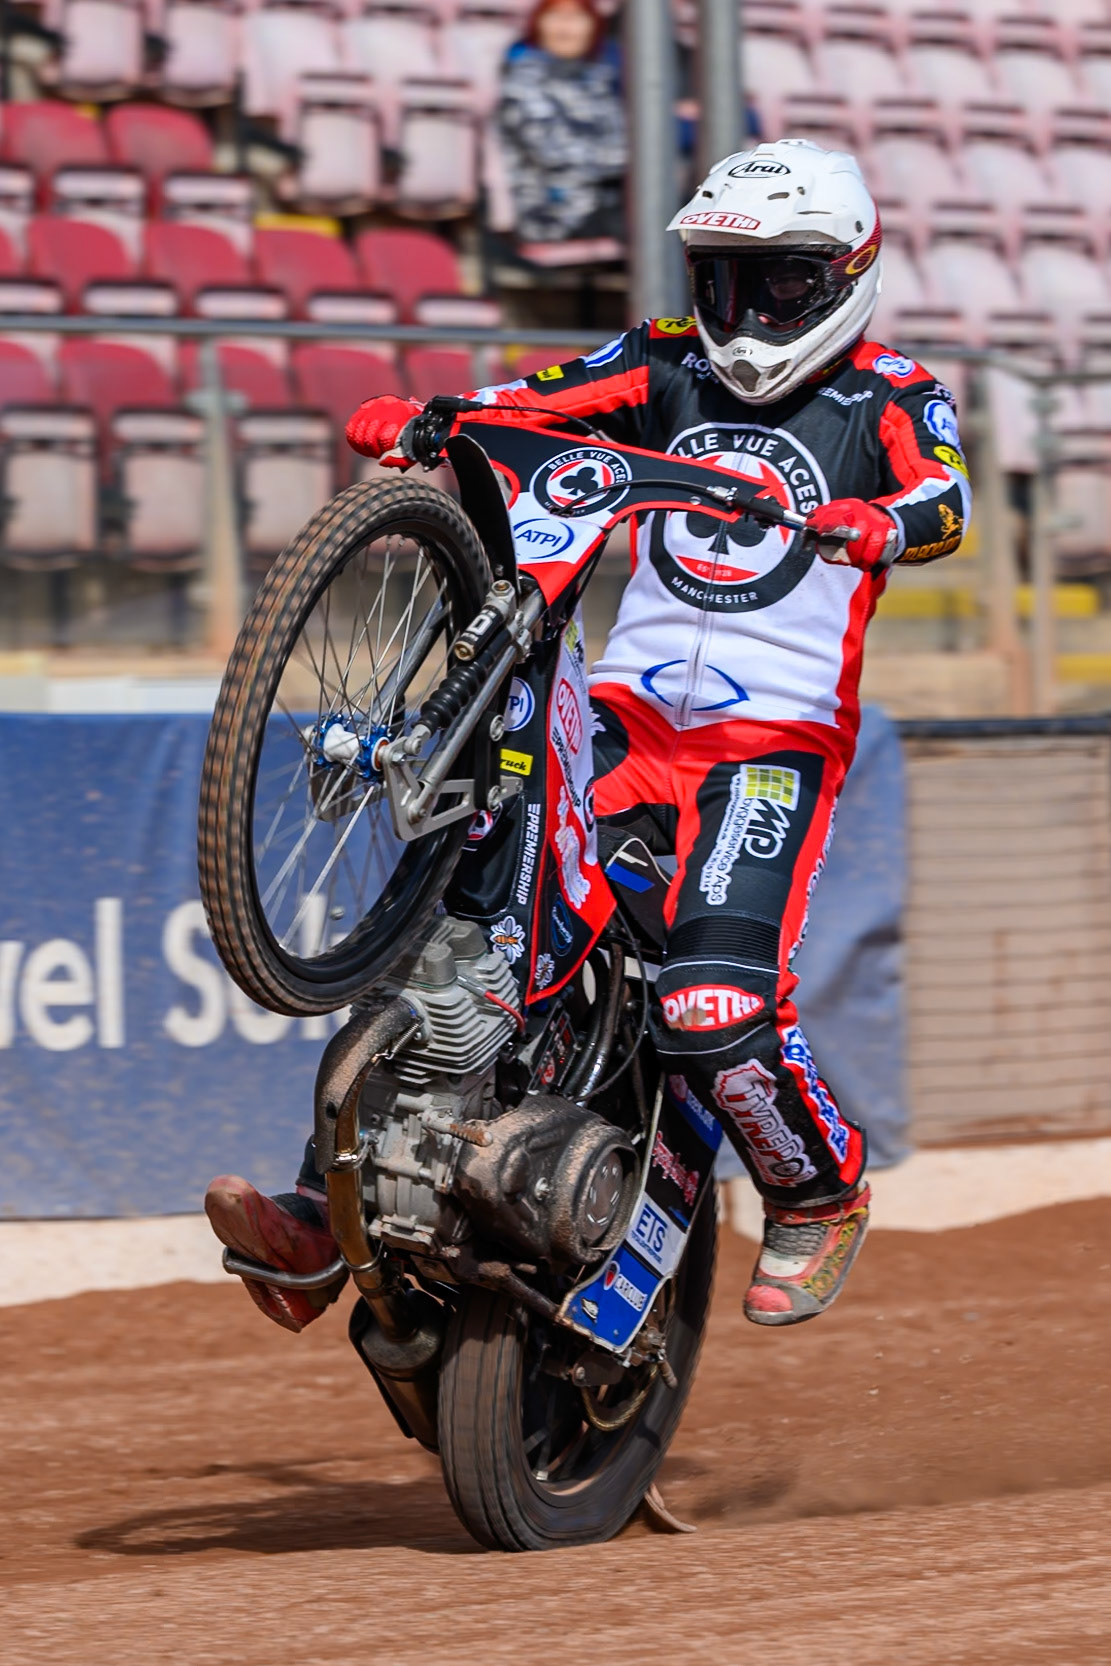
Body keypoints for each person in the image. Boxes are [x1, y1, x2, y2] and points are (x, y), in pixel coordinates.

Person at [208, 139, 971, 1333]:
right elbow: (532, 402)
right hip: (622, 712)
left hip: (766, 751)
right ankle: (322, 1213)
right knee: (459, 921)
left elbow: (945, 499)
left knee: (714, 1006)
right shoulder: (664, 359)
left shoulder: (892, 392)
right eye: (722, 278)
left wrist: (879, 521)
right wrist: (434, 423)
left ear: (843, 276)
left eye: (778, 282)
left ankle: (816, 1188)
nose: (743, 309)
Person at [497, 0, 626, 244]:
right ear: (538, 26)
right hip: (558, 214)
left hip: (609, 203)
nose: (565, 27)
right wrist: (639, 164)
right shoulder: (522, 81)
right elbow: (557, 156)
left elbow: (620, 137)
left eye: (577, 18)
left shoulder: (598, 78)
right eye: (554, 16)